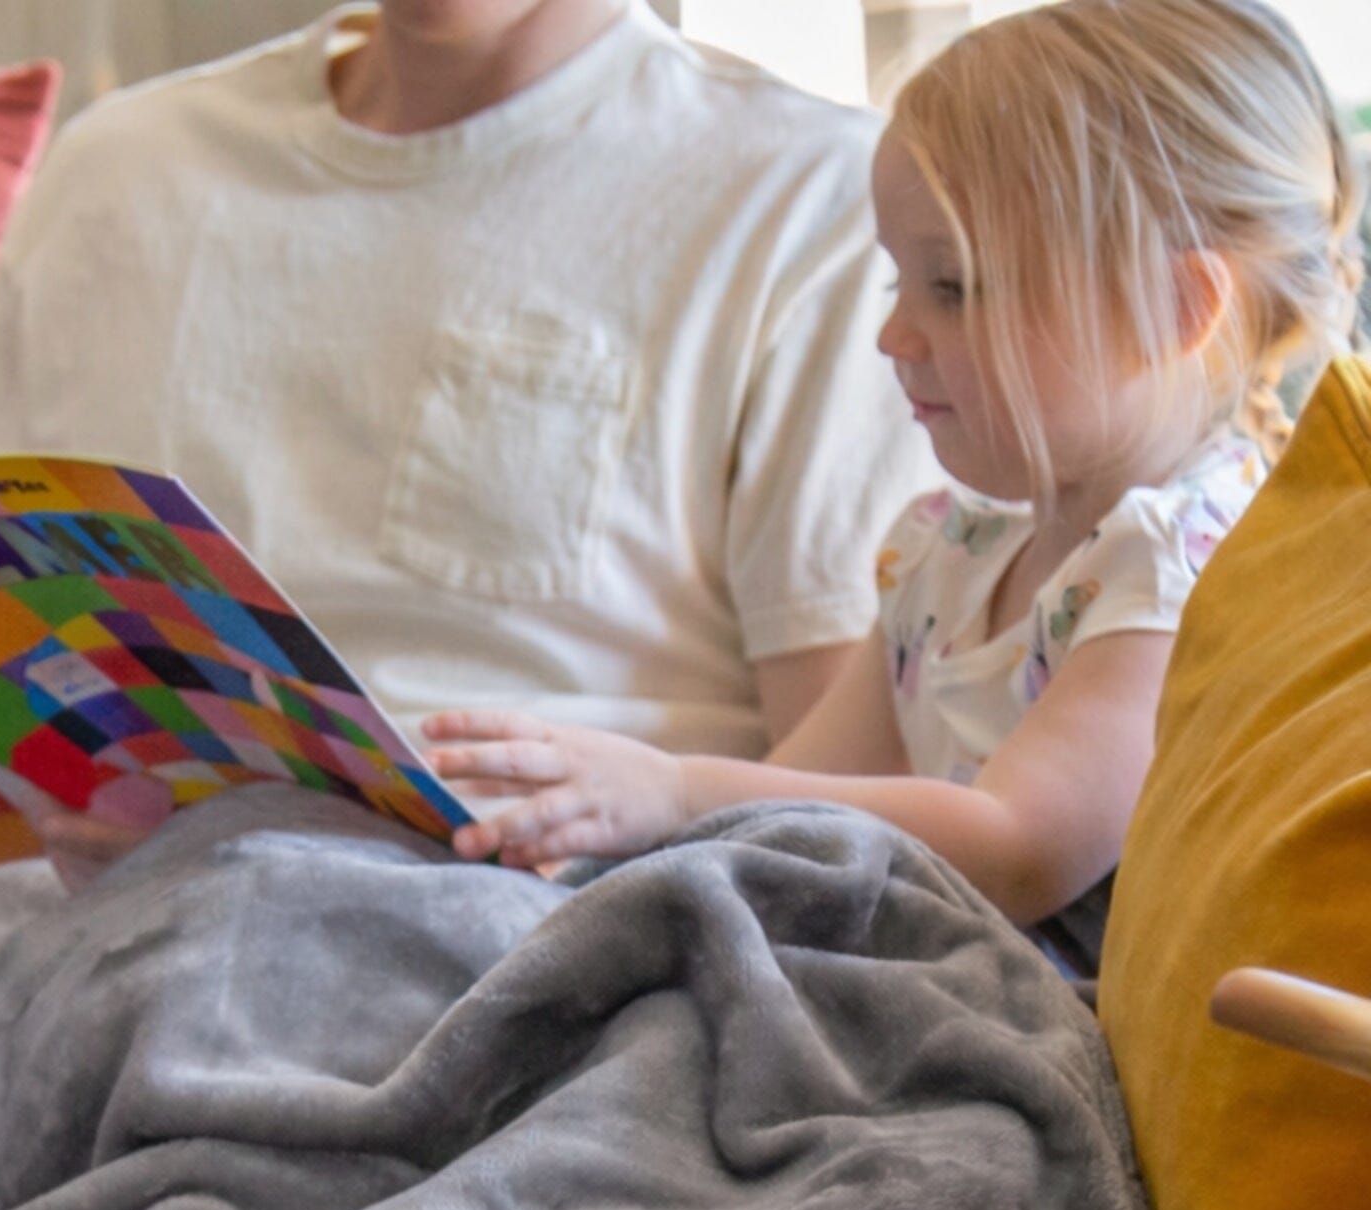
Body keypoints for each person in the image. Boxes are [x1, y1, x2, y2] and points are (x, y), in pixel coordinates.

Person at [0, 0, 939, 935]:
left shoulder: (813, 200)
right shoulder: (123, 171)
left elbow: (848, 804)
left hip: (499, 945)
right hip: (30, 937)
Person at [424, 0, 1363, 976]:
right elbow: (788, 792)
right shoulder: (948, 552)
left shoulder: (1185, 574)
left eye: (951, 288)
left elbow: (1014, 848)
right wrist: (609, 831)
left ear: (1173, 308)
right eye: (896, 286)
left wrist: (671, 789)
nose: (892, 336)